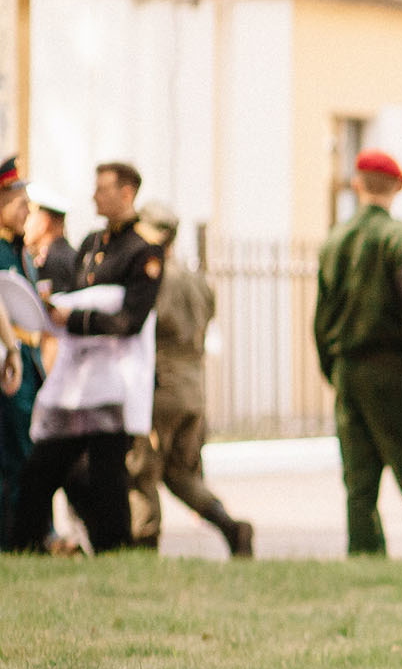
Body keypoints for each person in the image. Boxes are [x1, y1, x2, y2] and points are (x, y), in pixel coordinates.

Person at [11, 162, 161, 555]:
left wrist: (74, 318)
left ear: (126, 193)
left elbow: (130, 318)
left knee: (108, 472)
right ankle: (24, 540)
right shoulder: (93, 243)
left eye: (103, 188)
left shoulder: (142, 249)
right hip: (78, 380)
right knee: (45, 463)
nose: (95, 196)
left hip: (112, 381)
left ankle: (115, 548)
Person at [316, 149, 402, 557]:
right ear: (396, 187)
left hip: (348, 370)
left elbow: (322, 317)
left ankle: (364, 553)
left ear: (356, 184)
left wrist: (335, 369)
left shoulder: (334, 240)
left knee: (359, 480)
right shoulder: (401, 238)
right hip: (394, 373)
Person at [127, 203, 252, 556]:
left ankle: (144, 542)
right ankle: (231, 526)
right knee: (182, 474)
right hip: (193, 387)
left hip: (162, 384)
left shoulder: (157, 277)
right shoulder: (196, 278)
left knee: (143, 468)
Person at [0, 158, 46, 546]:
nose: (28, 211)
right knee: (15, 454)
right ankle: (16, 537)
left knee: (26, 450)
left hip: (26, 361)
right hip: (7, 363)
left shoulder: (19, 249)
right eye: (19, 203)